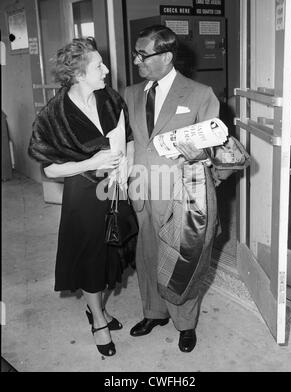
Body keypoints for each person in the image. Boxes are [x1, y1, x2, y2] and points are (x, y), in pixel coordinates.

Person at [28, 37, 134, 357]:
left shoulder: (110, 99)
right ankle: (98, 319)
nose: (106, 69)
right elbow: (50, 171)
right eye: (98, 65)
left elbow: (125, 141)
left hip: (115, 188)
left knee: (112, 253)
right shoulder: (54, 114)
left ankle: (95, 307)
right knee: (91, 258)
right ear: (77, 74)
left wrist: (124, 175)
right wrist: (92, 162)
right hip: (84, 193)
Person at [124, 25, 220, 353]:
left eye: (143, 54)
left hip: (183, 193)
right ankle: (155, 312)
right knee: (148, 253)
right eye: (135, 53)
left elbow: (213, 145)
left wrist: (202, 153)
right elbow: (130, 141)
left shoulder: (199, 93)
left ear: (165, 57)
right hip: (142, 189)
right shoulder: (131, 93)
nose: (136, 60)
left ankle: (185, 323)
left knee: (183, 260)